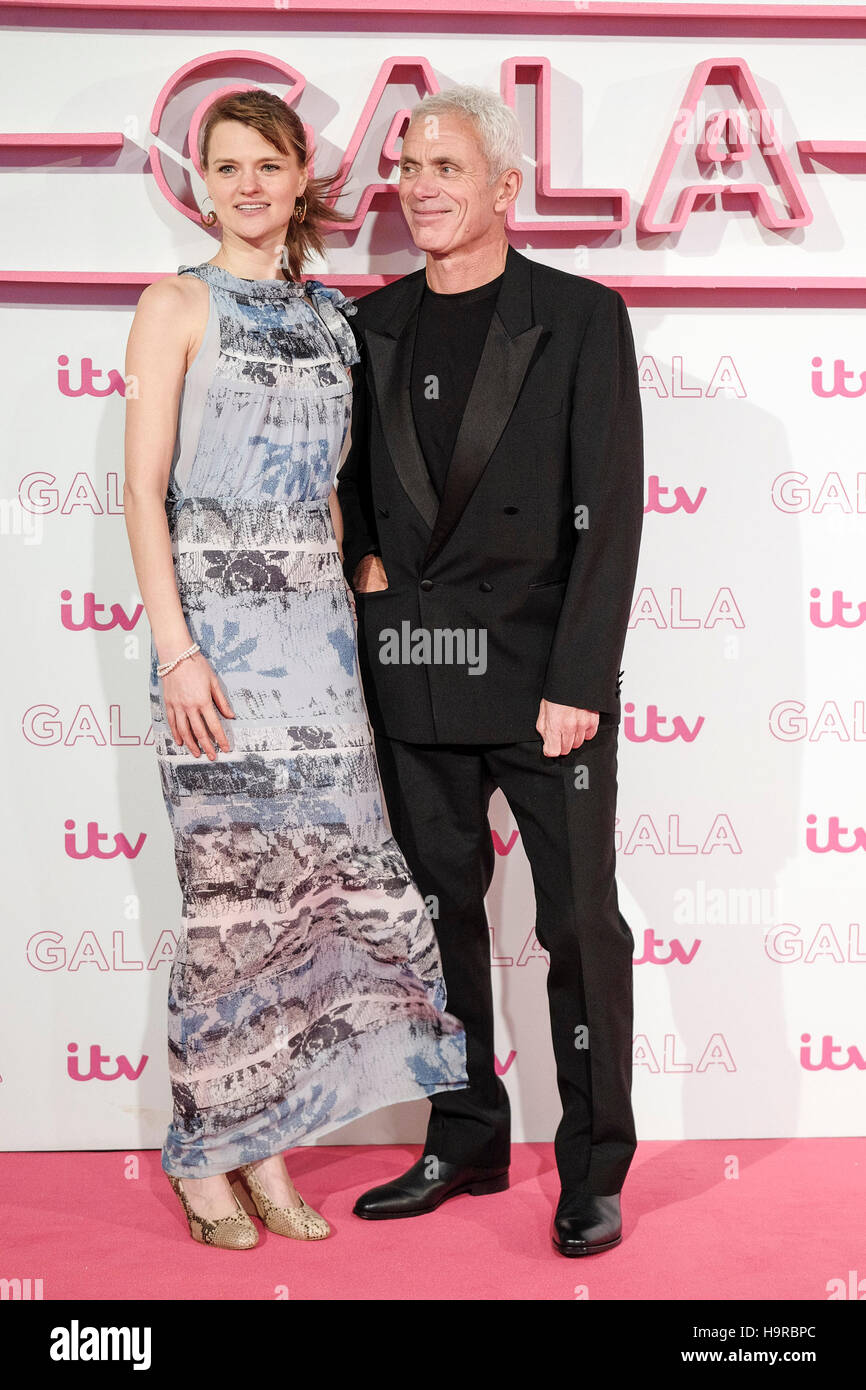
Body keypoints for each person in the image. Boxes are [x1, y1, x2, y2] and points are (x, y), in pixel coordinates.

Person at [122, 89, 467, 1251]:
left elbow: (333, 490)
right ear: (203, 183)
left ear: (298, 175)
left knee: (310, 914)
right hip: (215, 648)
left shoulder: (332, 318)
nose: (248, 186)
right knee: (229, 907)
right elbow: (141, 491)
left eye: (267, 164)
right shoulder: (173, 305)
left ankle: (267, 1152)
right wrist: (176, 649)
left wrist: (362, 593)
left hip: (318, 655)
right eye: (226, 167)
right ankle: (202, 1156)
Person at [337, 85, 644, 1256]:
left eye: (446, 166)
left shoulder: (576, 316)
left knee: (577, 926)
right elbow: (359, 491)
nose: (419, 183)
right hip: (414, 673)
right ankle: (463, 1131)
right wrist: (368, 565)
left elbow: (606, 514)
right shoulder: (369, 326)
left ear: (502, 188)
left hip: (540, 682)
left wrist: (578, 680)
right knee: (436, 921)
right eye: (408, 164)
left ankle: (592, 1164)